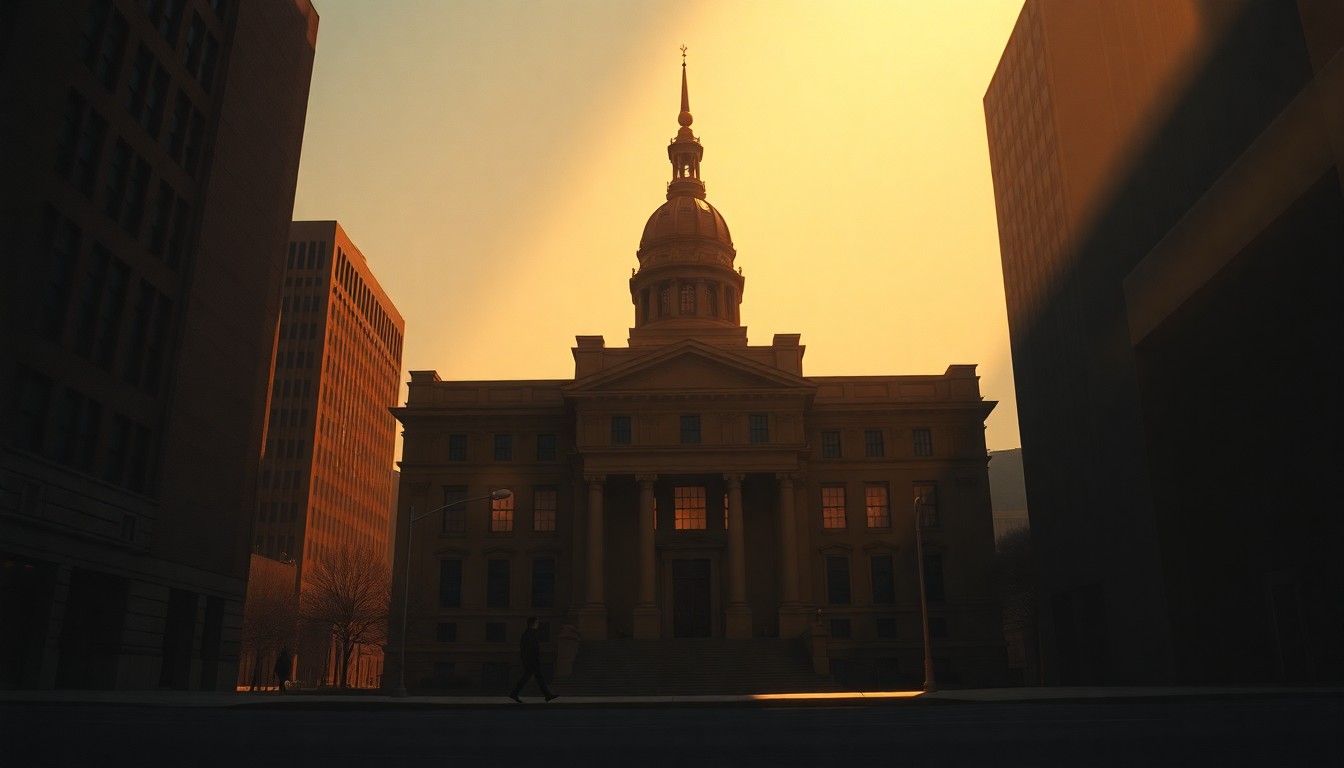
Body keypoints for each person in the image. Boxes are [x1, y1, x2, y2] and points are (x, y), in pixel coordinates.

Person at [509, 617, 556, 703]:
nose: (538, 624)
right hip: (531, 660)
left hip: (530, 660)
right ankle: (547, 695)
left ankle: (515, 693)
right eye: (537, 623)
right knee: (535, 677)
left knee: (531, 677)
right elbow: (530, 648)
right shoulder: (530, 633)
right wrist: (533, 658)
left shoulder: (528, 633)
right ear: (533, 623)